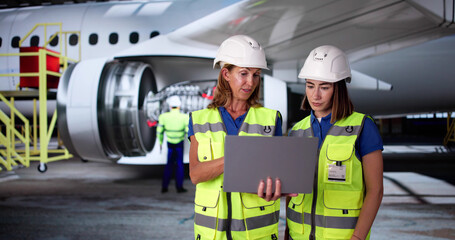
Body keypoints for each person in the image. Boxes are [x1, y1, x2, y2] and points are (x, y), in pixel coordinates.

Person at [188, 35, 284, 240]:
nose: (251, 82)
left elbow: (277, 177)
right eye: (243, 73)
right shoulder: (199, 120)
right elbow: (196, 175)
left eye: (256, 75)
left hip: (257, 234)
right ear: (226, 74)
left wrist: (278, 189)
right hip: (212, 234)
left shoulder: (271, 119)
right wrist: (235, 157)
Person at [286, 45, 384, 240]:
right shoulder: (297, 131)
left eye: (324, 87)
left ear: (338, 87)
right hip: (299, 235)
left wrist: (358, 237)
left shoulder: (362, 127)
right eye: (310, 85)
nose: (315, 95)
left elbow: (376, 191)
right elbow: (291, 192)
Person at [157, 95, 189, 193]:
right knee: (179, 165)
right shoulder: (185, 117)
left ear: (170, 106)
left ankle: (164, 187)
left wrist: (160, 142)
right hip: (179, 143)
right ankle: (179, 187)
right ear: (179, 106)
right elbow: (188, 132)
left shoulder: (163, 117)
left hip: (170, 143)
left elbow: (159, 131)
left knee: (169, 165)